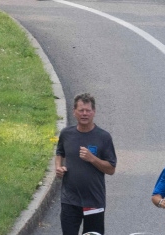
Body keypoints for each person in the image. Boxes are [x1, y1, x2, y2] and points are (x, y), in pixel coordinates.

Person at [54, 93, 117, 235]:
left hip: (94, 201)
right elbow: (59, 152)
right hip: (70, 201)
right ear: (74, 112)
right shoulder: (66, 134)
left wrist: (92, 158)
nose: (84, 114)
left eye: (88, 110)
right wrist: (58, 167)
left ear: (93, 112)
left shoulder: (103, 137)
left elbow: (111, 169)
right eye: (81, 110)